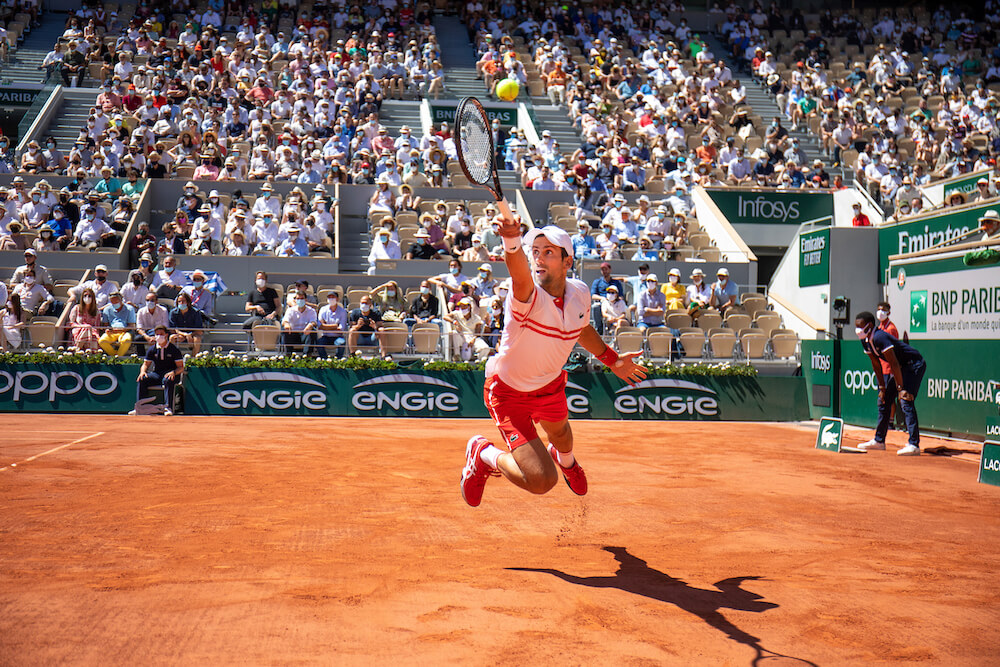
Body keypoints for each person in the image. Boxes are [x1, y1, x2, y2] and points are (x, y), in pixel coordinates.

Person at [460, 222, 647, 508]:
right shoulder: (526, 295)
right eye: (535, 251)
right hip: (509, 394)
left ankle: (567, 461)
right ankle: (483, 455)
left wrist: (613, 360)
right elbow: (519, 274)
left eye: (548, 252)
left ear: (567, 261)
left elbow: (581, 327)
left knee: (561, 434)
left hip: (550, 385)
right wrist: (512, 240)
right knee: (542, 480)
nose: (539, 258)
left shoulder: (581, 292)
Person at [856, 311, 926, 456]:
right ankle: (879, 441)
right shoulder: (865, 341)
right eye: (856, 326)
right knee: (884, 400)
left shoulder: (880, 337)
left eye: (860, 326)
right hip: (902, 367)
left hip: (914, 364)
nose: (857, 330)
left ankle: (914, 444)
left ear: (869, 326)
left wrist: (901, 388)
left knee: (905, 400)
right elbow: (876, 365)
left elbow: (893, 363)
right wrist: (882, 387)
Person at [131, 325, 183, 416]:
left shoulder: (174, 349)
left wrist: (173, 372)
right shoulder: (152, 349)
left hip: (171, 374)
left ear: (166, 335)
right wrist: (142, 372)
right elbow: (146, 364)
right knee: (142, 379)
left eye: (161, 334)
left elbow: (181, 367)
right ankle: (140, 407)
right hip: (157, 374)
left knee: (168, 380)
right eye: (157, 334)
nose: (159, 336)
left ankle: (168, 408)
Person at [589, 261, 624, 334]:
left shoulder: (616, 282)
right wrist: (603, 298)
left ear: (610, 270)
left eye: (606, 269)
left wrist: (615, 300)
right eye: (602, 269)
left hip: (614, 302)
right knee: (596, 306)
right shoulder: (597, 282)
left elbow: (621, 296)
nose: (604, 271)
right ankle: (600, 329)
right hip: (602, 302)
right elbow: (593, 295)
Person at [99, 291, 136, 356]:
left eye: (116, 302)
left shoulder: (130, 309)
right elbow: (106, 324)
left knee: (126, 340)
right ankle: (114, 355)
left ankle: (118, 356)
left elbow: (132, 325)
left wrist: (121, 330)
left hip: (125, 332)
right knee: (102, 341)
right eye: (112, 302)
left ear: (121, 300)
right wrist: (108, 329)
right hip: (112, 332)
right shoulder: (107, 309)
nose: (114, 304)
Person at [282, 290, 318, 355]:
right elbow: (285, 321)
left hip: (305, 333)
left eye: (302, 298)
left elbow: (314, 322)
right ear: (295, 300)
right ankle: (288, 356)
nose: (300, 300)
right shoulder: (290, 310)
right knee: (285, 331)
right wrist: (287, 324)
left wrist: (310, 326)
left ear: (306, 300)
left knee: (312, 332)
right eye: (298, 298)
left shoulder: (311, 311)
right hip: (293, 333)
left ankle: (306, 356)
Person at [317, 290, 348, 358]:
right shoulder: (323, 309)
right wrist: (335, 326)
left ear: (337, 299)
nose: (331, 299)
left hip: (337, 337)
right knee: (319, 343)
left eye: (333, 297)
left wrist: (326, 327)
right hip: (325, 336)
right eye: (329, 297)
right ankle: (324, 360)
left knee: (341, 343)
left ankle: (338, 360)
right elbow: (320, 326)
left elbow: (341, 329)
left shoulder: (343, 312)